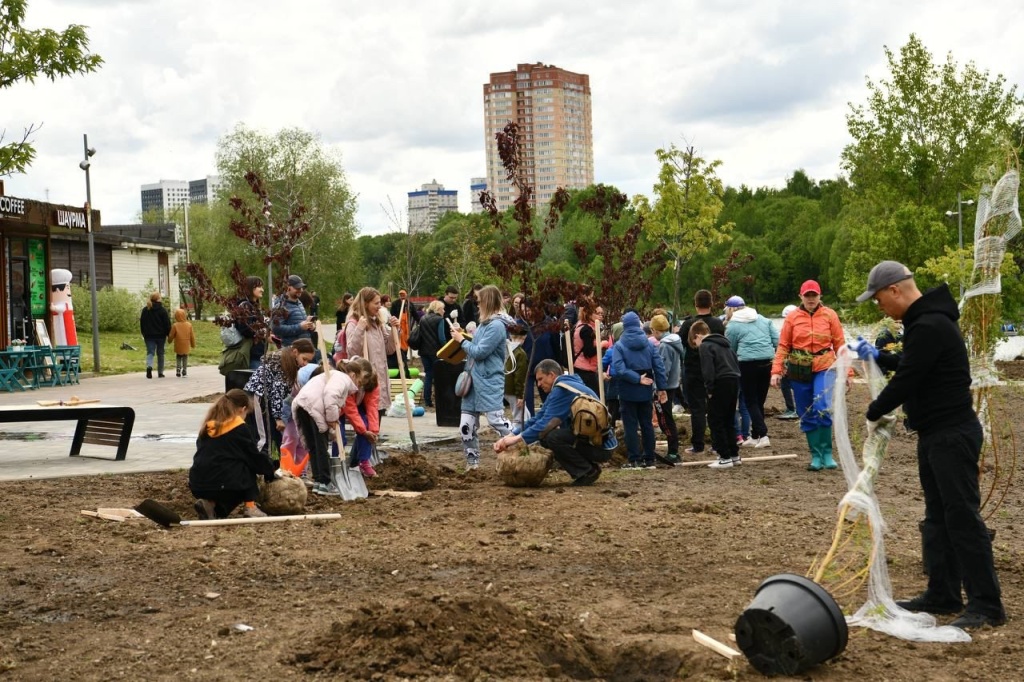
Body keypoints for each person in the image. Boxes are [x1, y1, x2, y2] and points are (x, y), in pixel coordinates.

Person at [853, 260, 1005, 630]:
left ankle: (987, 604)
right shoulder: (926, 323)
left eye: (878, 299)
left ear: (895, 290)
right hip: (936, 434)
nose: (879, 307)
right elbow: (912, 362)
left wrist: (874, 410)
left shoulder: (931, 324)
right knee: (938, 518)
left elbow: (909, 378)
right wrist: (881, 357)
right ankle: (943, 593)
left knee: (962, 518)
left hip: (952, 435)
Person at [493, 359, 614, 486]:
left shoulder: (563, 390)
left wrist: (516, 439)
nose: (539, 384)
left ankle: (587, 471)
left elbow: (545, 424)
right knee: (548, 437)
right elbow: (538, 417)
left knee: (552, 437)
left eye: (540, 379)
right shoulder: (566, 385)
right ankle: (587, 468)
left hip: (600, 447)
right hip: (600, 442)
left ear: (551, 375)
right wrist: (511, 435)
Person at [770, 280, 848, 471]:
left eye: (814, 295)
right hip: (799, 367)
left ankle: (827, 453)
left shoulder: (830, 315)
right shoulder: (792, 318)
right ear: (801, 297)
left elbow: (840, 344)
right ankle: (815, 455)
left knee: (822, 406)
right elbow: (783, 345)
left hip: (825, 366)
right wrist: (776, 371)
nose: (811, 299)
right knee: (805, 412)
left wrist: (848, 372)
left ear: (820, 296)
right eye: (807, 295)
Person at [450, 284, 513, 470]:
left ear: (487, 302)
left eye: (479, 302)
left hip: (488, 380)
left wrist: (461, 341)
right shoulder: (484, 325)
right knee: (466, 426)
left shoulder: (496, 326)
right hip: (472, 381)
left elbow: (480, 352)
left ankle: (521, 446)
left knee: (496, 420)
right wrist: (464, 336)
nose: (477, 306)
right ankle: (472, 462)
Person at [189, 389, 277, 519]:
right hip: (224, 483)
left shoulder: (207, 427)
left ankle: (211, 506)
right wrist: (272, 468)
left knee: (228, 472)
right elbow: (254, 458)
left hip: (197, 483)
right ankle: (250, 507)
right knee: (245, 467)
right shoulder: (239, 428)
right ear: (242, 409)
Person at [292, 360, 361, 497]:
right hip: (313, 407)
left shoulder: (333, 376)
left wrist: (332, 427)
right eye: (359, 380)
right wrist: (332, 420)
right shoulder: (343, 378)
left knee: (314, 446)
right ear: (353, 375)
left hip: (302, 405)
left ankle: (318, 481)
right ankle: (325, 482)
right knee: (321, 447)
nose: (358, 385)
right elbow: (330, 396)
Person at [613, 311, 668, 469]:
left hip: (627, 389)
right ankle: (649, 458)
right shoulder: (650, 344)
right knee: (647, 424)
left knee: (630, 425)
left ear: (624, 326)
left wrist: (636, 378)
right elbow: (659, 366)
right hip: (646, 390)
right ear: (638, 324)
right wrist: (661, 388)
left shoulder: (620, 345)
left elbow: (619, 368)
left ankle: (634, 459)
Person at [244, 339, 316, 457]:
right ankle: (257, 465)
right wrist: (278, 417)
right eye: (304, 359)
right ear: (295, 352)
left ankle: (272, 465)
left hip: (266, 401)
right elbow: (277, 391)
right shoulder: (282, 364)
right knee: (262, 437)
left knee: (273, 436)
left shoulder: (287, 362)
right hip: (258, 397)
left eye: (308, 361)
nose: (305, 364)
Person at [724, 295, 778, 449]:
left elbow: (731, 348)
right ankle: (755, 436)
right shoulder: (763, 319)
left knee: (750, 401)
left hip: (747, 364)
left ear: (730, 309)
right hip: (767, 362)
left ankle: (764, 434)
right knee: (759, 400)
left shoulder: (733, 325)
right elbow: (777, 341)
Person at [678, 290, 726, 454]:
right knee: (714, 407)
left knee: (697, 409)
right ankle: (716, 444)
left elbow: (681, 344)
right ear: (711, 303)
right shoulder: (718, 324)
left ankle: (698, 444)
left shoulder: (688, 324)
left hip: (693, 370)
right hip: (714, 369)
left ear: (696, 304)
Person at [690, 320, 742, 469]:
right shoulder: (725, 344)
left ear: (698, 336)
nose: (696, 346)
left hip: (720, 383)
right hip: (734, 380)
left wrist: (710, 389)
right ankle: (734, 454)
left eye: (695, 342)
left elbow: (708, 370)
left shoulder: (706, 346)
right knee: (728, 419)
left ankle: (724, 456)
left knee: (715, 419)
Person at [344, 287, 398, 417]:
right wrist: (360, 329)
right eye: (376, 303)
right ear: (366, 303)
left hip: (378, 379)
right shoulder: (353, 323)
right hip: (364, 381)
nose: (380, 306)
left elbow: (390, 349)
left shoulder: (377, 323)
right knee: (366, 421)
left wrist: (394, 330)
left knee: (376, 419)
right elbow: (352, 351)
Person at [340, 357, 382, 479]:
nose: (361, 384)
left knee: (368, 426)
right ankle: (338, 463)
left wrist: (373, 431)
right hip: (340, 408)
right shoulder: (347, 381)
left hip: (360, 406)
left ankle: (364, 462)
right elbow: (350, 409)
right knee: (340, 436)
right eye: (361, 381)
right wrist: (363, 431)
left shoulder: (372, 383)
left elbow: (372, 407)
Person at [650, 313, 683, 463]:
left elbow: (663, 369)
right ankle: (674, 449)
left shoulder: (664, 346)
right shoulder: (676, 341)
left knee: (664, 419)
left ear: (656, 331)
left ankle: (673, 452)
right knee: (667, 417)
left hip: (665, 387)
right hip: (674, 384)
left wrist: (658, 388)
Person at [272, 274, 315, 347]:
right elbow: (276, 329)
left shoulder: (299, 302)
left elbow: (300, 324)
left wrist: (310, 326)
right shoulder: (280, 306)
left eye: (301, 288)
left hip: (304, 347)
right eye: (297, 288)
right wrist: (299, 327)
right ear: (288, 288)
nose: (301, 290)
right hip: (292, 349)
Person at [235, 276, 267, 370]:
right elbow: (244, 329)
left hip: (259, 353)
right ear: (250, 288)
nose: (262, 290)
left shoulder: (255, 307)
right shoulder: (245, 306)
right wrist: (263, 333)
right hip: (251, 354)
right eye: (259, 287)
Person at [417, 300, 445, 408]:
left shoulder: (423, 318)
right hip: (435, 352)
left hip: (423, 352)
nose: (444, 310)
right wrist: (447, 348)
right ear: (438, 309)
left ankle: (427, 400)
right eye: (442, 308)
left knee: (428, 375)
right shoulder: (439, 320)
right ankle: (440, 399)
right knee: (439, 375)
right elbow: (441, 338)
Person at [572, 301, 603, 394]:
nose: (601, 316)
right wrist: (602, 345)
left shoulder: (581, 326)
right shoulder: (586, 329)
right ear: (589, 314)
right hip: (584, 369)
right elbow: (588, 352)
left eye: (602, 314)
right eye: (598, 313)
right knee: (593, 397)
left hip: (584, 367)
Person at [140, 291, 172, 379]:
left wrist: (143, 333)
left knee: (150, 352)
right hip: (161, 336)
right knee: (160, 353)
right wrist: (169, 333)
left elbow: (142, 322)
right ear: (158, 299)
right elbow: (167, 324)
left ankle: (149, 368)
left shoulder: (145, 310)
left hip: (149, 336)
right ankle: (160, 372)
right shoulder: (162, 310)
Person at [776, 305, 799, 420]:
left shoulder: (788, 329)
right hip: (799, 362)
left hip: (792, 362)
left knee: (786, 384)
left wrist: (783, 364)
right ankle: (802, 408)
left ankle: (792, 409)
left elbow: (785, 347)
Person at [504, 326, 529, 431]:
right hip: (514, 389)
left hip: (504, 386)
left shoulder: (505, 348)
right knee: (521, 416)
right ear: (523, 338)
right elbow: (519, 376)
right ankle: (516, 434)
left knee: (523, 414)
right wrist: (520, 394)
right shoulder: (520, 353)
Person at [390, 289, 419, 375]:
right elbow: (392, 315)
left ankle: (405, 357)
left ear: (406, 295)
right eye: (400, 294)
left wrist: (420, 322)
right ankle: (401, 359)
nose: (402, 296)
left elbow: (415, 315)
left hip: (407, 328)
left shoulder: (409, 304)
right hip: (398, 327)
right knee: (399, 343)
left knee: (406, 343)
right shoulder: (395, 304)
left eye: (403, 294)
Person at [168, 307, 196, 378]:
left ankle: (178, 369)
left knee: (178, 356)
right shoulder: (189, 325)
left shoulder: (175, 325)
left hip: (178, 344)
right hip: (186, 344)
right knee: (185, 357)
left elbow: (171, 335)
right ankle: (184, 370)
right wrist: (193, 344)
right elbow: (192, 336)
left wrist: (169, 340)